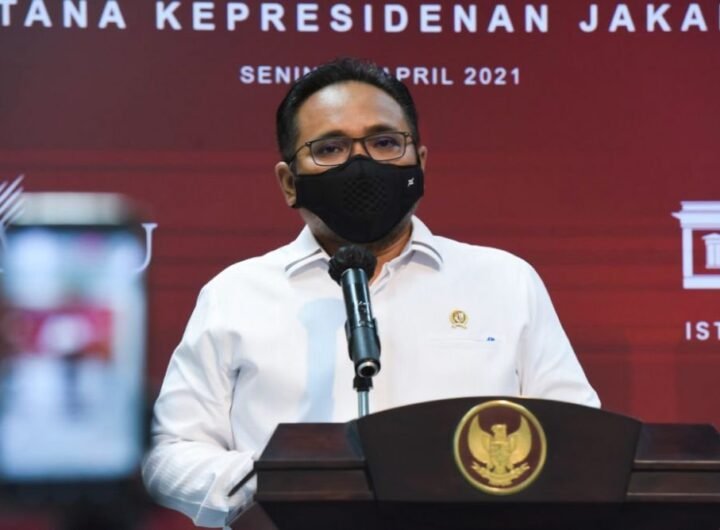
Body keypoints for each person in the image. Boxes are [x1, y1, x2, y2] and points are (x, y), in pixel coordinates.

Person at [142, 57, 600, 528]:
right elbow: (168, 453)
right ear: (289, 182)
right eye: (330, 148)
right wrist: (278, 482)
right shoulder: (236, 294)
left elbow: (581, 437)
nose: (361, 165)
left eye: (384, 143)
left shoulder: (504, 280)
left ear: (420, 162)